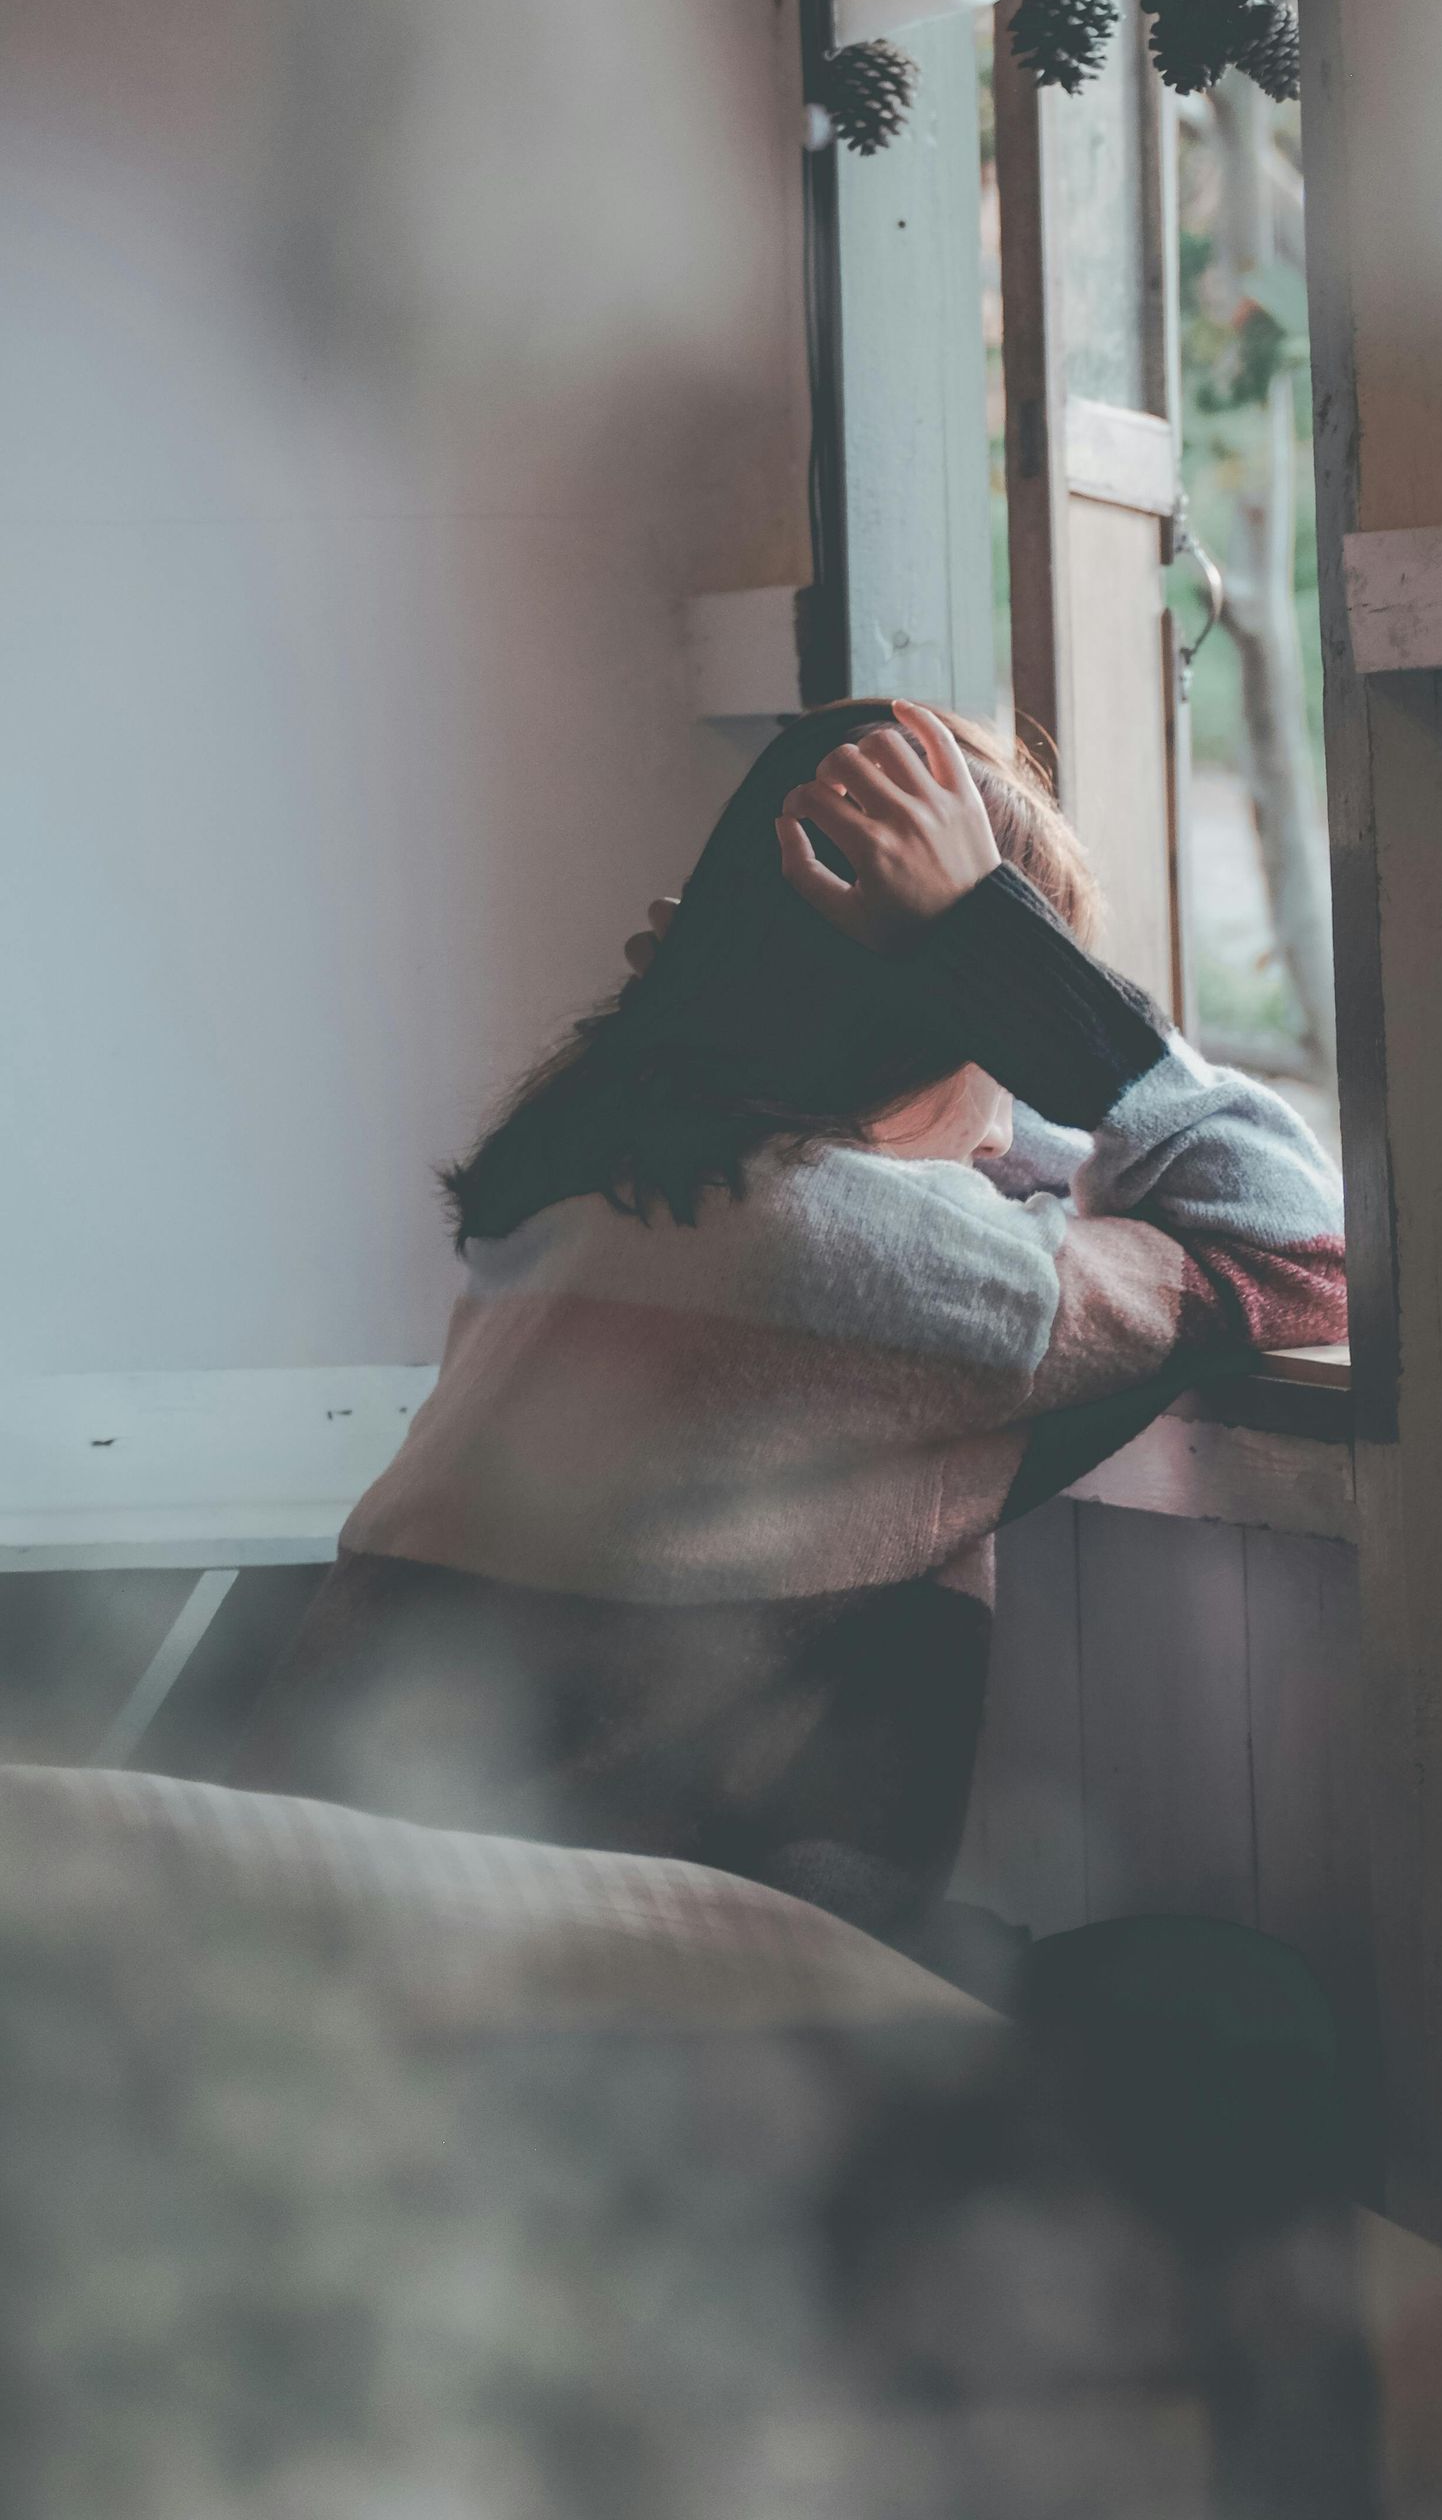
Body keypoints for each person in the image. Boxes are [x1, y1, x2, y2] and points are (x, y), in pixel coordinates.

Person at [233, 700, 1344, 1941]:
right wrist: (1008, 961)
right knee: (1236, 2030)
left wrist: (799, 1000)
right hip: (599, 1971)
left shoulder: (586, 1179)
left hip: (307, 1899)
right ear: (960, 1027)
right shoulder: (864, 1259)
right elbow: (1294, 1243)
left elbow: (933, 1164)